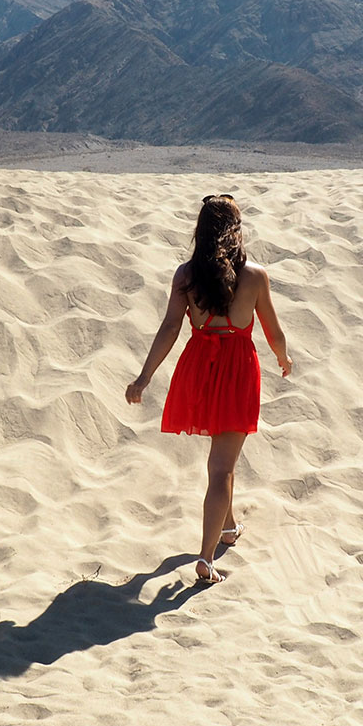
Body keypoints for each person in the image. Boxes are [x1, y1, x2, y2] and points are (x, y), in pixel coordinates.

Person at [126, 194, 292, 584]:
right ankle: (206, 558)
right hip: (237, 372)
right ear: (236, 232)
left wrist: (144, 377)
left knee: (219, 461)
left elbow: (170, 328)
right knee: (223, 468)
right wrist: (284, 360)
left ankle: (228, 527)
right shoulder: (255, 276)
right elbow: (274, 331)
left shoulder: (186, 276)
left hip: (200, 367)